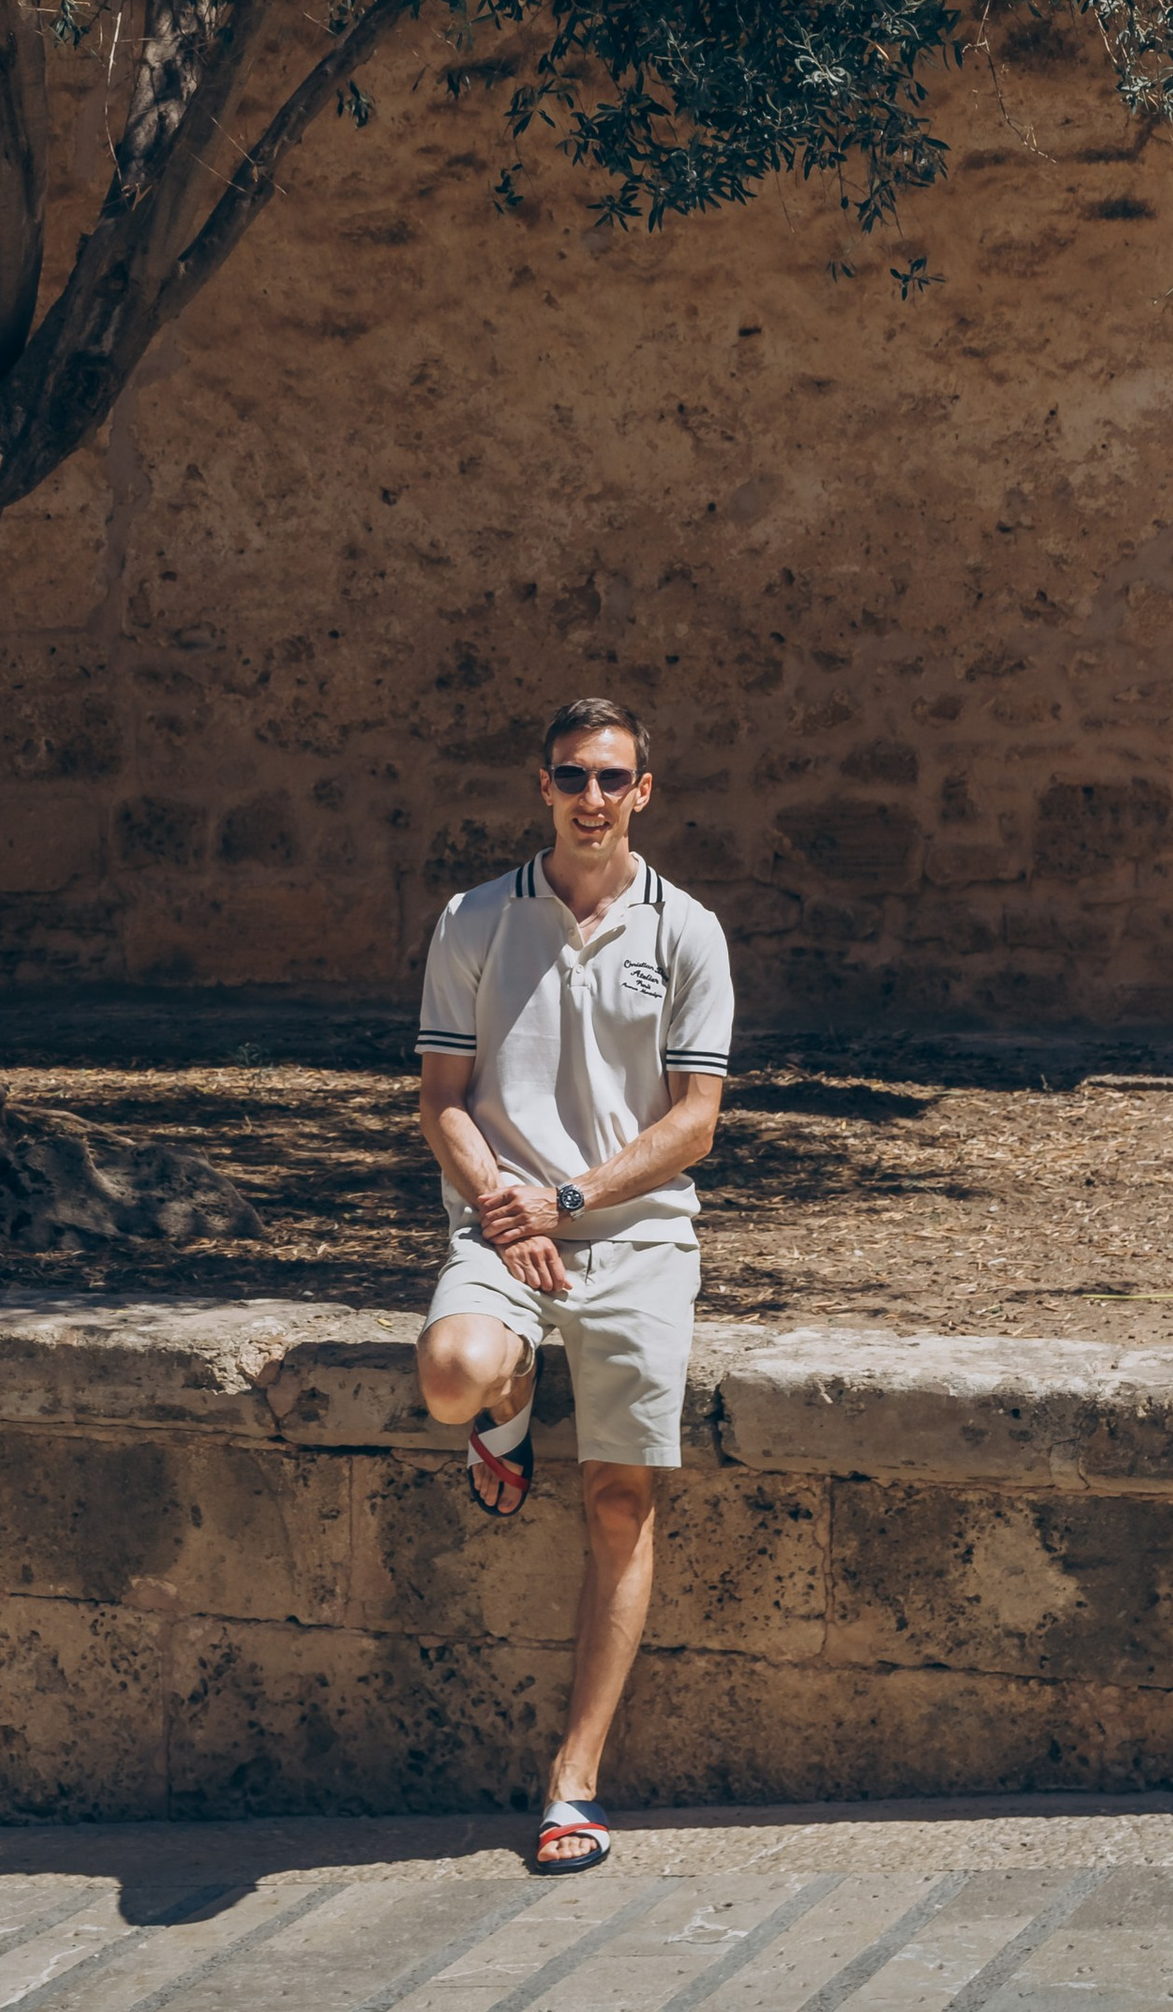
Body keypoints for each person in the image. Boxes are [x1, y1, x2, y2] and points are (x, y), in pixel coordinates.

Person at [413, 694, 734, 1874]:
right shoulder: (476, 920)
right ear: (539, 787)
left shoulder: (687, 932)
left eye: (611, 778)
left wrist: (570, 1200)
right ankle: (503, 1409)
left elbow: (694, 1121)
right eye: (569, 777)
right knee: (450, 1375)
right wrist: (505, 1207)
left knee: (617, 1501)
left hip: (636, 1242)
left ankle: (574, 1780)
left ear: (643, 791)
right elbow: (443, 1098)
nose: (589, 798)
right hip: (504, 1230)